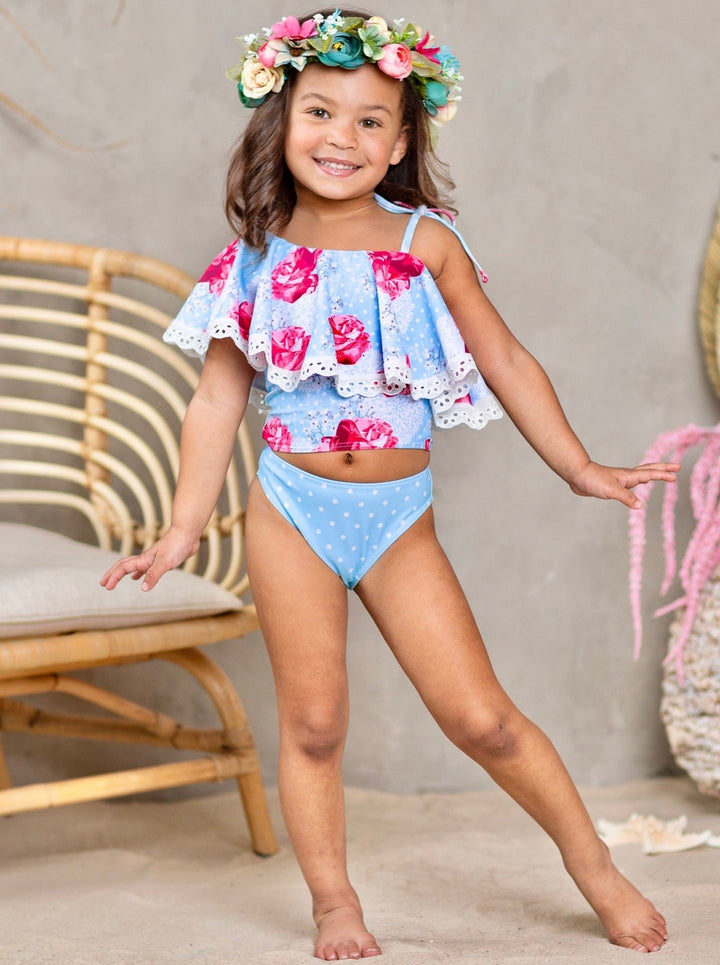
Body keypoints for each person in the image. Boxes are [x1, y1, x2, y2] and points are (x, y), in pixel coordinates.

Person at [101, 8, 679, 960]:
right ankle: (334, 901)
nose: (343, 137)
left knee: (484, 719)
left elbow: (506, 358)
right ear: (282, 121)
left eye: (371, 120)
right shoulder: (255, 255)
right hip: (290, 511)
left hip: (397, 518)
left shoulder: (425, 242)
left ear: (403, 140)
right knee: (315, 724)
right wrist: (182, 527)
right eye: (320, 112)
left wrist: (578, 465)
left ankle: (596, 867)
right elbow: (214, 401)